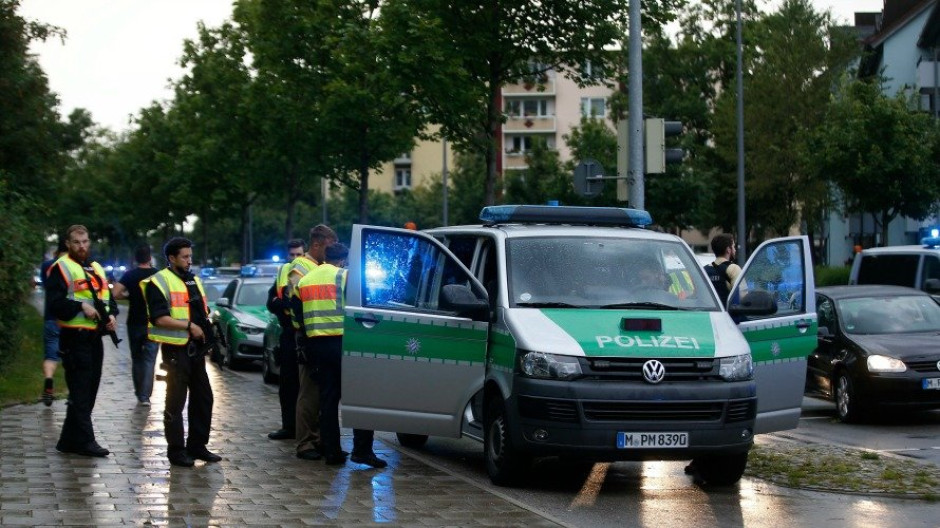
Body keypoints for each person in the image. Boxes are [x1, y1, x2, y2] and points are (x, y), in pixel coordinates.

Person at [295, 242, 386, 468]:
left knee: (327, 400)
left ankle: (332, 452)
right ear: (343, 260)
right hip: (344, 343)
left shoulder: (306, 280)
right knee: (360, 397)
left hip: (317, 345)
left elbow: (297, 315)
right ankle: (362, 451)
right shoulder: (345, 277)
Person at [142, 237, 220, 467]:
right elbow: (159, 318)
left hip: (196, 351)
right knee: (175, 401)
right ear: (172, 258)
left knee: (204, 398)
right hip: (176, 351)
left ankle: (197, 446)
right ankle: (176, 451)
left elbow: (200, 310)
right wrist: (189, 326)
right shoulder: (159, 281)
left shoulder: (193, 280)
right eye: (185, 257)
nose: (189, 261)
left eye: (190, 256)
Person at [46, 225, 118, 457]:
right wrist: (80, 306)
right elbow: (54, 304)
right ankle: (86, 441)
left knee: (90, 389)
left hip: (95, 338)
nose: (82, 246)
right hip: (74, 338)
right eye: (77, 242)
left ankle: (68, 441)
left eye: (85, 241)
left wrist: (112, 316)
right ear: (68, 244)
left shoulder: (95, 268)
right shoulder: (61, 267)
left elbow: (107, 299)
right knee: (80, 391)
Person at [288, 224, 337, 461]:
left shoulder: (321, 266)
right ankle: (306, 442)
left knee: (321, 392)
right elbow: (295, 303)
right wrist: (305, 337)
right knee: (309, 392)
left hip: (323, 337)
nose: (331, 251)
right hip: (308, 337)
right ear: (316, 244)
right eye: (329, 246)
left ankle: (319, 440)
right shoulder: (300, 267)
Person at [265, 239, 306, 440]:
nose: (295, 258)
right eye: (292, 255)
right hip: (288, 333)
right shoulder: (283, 271)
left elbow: (290, 301)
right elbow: (271, 301)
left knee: (306, 386)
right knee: (287, 384)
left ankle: (306, 429)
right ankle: (289, 426)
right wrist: (281, 304)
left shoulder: (309, 270)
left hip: (305, 334)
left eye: (299, 254)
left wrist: (282, 303)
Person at [111, 244, 159, 406]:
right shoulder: (158, 275)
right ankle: (145, 396)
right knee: (149, 359)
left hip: (134, 322)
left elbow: (115, 293)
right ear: (150, 257)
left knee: (136, 358)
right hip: (153, 322)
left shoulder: (130, 275)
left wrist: (128, 295)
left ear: (135, 258)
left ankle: (139, 392)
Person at [39, 239, 68, 406]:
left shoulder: (47, 266)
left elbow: (46, 285)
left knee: (51, 354)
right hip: (71, 319)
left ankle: (49, 380)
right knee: (71, 356)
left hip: (51, 316)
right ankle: (73, 392)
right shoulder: (74, 266)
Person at [705, 234, 742, 306]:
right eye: (733, 247)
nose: (735, 250)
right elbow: (742, 296)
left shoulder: (704, 270)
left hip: (709, 311)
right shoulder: (733, 268)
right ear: (728, 250)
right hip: (727, 312)